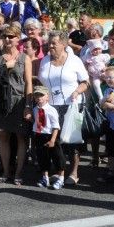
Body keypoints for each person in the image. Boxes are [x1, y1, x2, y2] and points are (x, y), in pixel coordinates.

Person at [38, 31, 90, 185]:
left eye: (54, 43)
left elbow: (85, 82)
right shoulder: (45, 60)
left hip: (71, 105)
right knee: (54, 139)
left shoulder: (74, 61)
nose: (50, 46)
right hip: (50, 106)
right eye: (49, 43)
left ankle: (74, 172)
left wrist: (76, 92)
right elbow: (41, 82)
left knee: (72, 140)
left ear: (64, 44)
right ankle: (59, 170)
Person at [0, 25, 33, 185]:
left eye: (11, 36)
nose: (8, 39)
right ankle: (6, 172)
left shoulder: (24, 58)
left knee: (21, 138)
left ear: (17, 39)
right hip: (1, 101)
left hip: (19, 101)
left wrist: (28, 105)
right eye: (5, 36)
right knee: (4, 137)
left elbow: (28, 83)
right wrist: (4, 66)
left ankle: (19, 173)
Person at [31, 86, 64, 189]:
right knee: (42, 157)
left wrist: (53, 140)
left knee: (57, 157)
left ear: (47, 97)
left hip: (51, 136)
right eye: (36, 95)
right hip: (39, 135)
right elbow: (37, 122)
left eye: (41, 95)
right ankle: (45, 178)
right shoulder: (35, 109)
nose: (39, 98)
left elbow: (56, 126)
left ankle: (61, 178)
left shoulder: (51, 110)